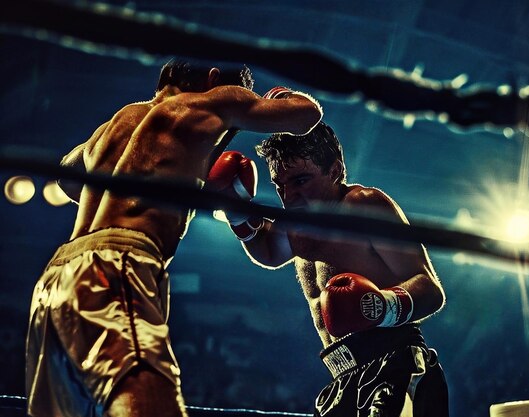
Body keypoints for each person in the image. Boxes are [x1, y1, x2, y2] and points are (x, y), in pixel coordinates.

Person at [25, 60, 322, 417]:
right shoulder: (211, 102)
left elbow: (68, 178)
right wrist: (276, 97)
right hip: (118, 265)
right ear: (213, 77)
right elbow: (306, 115)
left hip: (56, 277)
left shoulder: (116, 123)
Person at [211, 121, 449, 417]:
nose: (289, 196)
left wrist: (379, 306)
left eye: (300, 181)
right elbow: (268, 253)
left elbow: (430, 290)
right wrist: (236, 210)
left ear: (334, 171)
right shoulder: (293, 225)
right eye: (279, 185)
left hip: (394, 363)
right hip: (341, 375)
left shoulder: (364, 206)